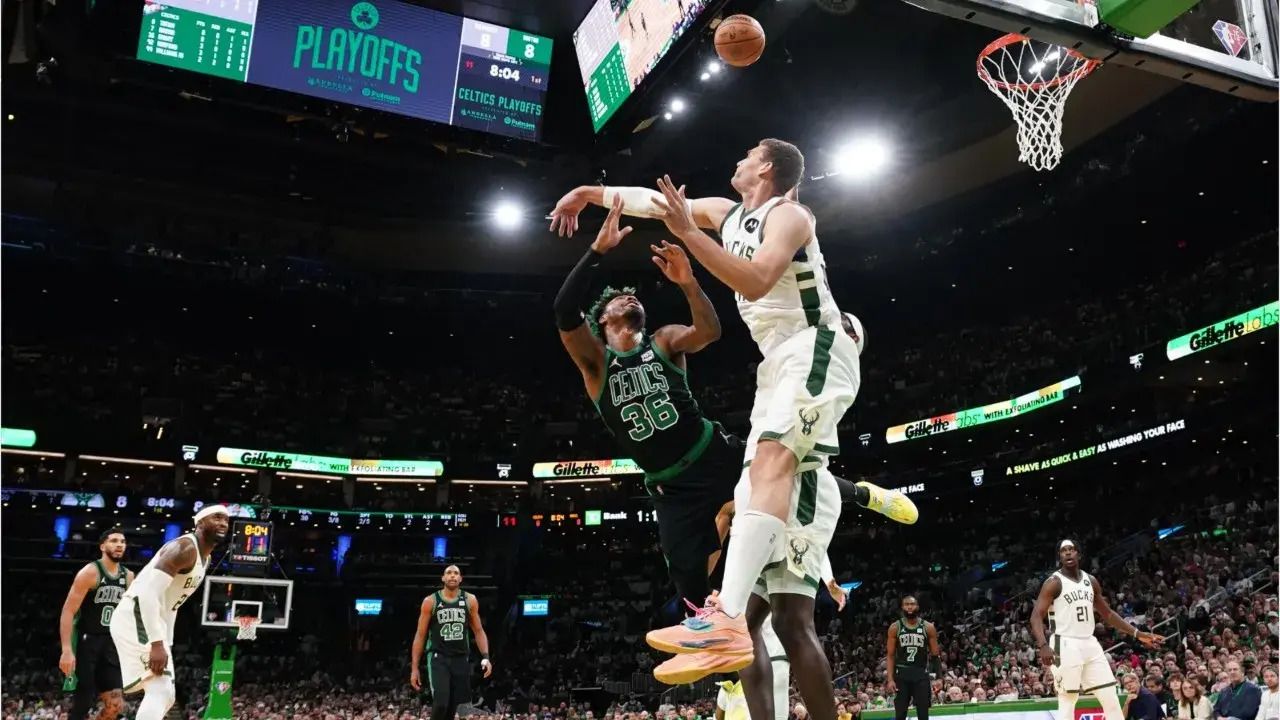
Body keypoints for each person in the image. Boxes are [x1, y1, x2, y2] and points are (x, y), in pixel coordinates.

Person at [551, 140, 915, 720]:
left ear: (766, 168)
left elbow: (755, 279)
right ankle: (734, 621)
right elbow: (657, 203)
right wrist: (591, 194)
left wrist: (690, 249)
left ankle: (727, 615)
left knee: (773, 460)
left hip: (811, 346)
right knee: (755, 494)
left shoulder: (791, 216)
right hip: (772, 366)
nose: (738, 159)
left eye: (747, 154)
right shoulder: (726, 212)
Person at [109, 505, 226, 719]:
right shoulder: (184, 548)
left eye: (226, 520)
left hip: (151, 620)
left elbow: (172, 604)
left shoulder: (205, 558)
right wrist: (156, 643)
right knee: (160, 690)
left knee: (168, 694)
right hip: (136, 614)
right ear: (199, 523)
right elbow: (147, 594)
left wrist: (166, 643)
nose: (223, 523)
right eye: (216, 518)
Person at [1031, 540, 1165, 720]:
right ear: (1059, 557)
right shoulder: (1054, 582)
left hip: (1089, 643)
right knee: (1068, 698)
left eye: (1072, 550)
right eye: (1064, 551)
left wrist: (1138, 634)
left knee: (1110, 696)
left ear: (1079, 554)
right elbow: (1036, 616)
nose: (1068, 553)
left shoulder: (1090, 580)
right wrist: (1043, 645)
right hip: (1064, 643)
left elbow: (1108, 614)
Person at [59, 528, 133, 720]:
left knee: (116, 706)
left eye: (123, 542)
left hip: (112, 644)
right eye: (114, 541)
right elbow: (68, 611)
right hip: (87, 642)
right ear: (102, 546)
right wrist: (67, 650)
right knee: (83, 702)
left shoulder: (129, 576)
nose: (119, 545)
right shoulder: (91, 572)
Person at [410, 565, 494, 720]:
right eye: (449, 573)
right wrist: (414, 668)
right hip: (438, 657)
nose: (452, 576)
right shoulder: (430, 601)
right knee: (441, 703)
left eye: (456, 573)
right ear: (443, 578)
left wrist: (486, 656)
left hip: (461, 658)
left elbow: (479, 631)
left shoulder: (470, 600)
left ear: (461, 579)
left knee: (453, 706)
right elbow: (420, 635)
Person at [886, 596, 942, 720]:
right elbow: (890, 655)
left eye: (912, 604)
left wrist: (939, 677)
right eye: (906, 604)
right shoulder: (895, 627)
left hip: (920, 673)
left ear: (917, 606)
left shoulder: (928, 627)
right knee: (900, 714)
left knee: (923, 714)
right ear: (902, 607)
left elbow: (935, 655)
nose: (909, 607)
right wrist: (890, 679)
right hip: (901, 674)